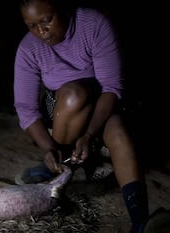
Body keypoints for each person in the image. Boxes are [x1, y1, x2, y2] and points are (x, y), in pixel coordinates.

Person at [13, 0, 149, 232]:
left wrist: (88, 135)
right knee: (73, 94)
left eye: (47, 20)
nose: (41, 31)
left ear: (61, 7)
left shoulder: (93, 24)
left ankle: (141, 221)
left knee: (118, 133)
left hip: (104, 102)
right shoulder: (29, 48)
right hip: (62, 106)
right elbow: (25, 108)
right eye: (32, 26)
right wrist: (48, 148)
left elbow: (111, 87)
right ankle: (60, 160)